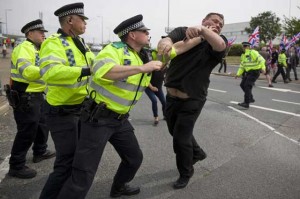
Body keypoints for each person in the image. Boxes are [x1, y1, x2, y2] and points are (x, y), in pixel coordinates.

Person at [56, 14, 200, 199]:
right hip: (97, 119)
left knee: (134, 158)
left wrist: (203, 34)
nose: (149, 34)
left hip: (120, 120)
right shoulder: (113, 50)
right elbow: (103, 71)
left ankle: (119, 187)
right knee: (84, 172)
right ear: (132, 35)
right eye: (144, 31)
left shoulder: (145, 54)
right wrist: (142, 68)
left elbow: (179, 48)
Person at [157, 12, 227, 189]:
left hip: (192, 100)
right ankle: (197, 153)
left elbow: (220, 45)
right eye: (215, 21)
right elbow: (167, 41)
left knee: (181, 139)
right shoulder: (183, 31)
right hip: (171, 98)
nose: (218, 25)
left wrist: (203, 31)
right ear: (204, 20)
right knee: (175, 132)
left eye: (221, 24)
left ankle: (185, 172)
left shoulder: (216, 41)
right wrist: (165, 43)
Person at [38, 3, 94, 199]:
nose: (86, 23)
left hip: (79, 109)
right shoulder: (53, 43)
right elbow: (49, 73)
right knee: (65, 162)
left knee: (76, 159)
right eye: (83, 19)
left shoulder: (80, 43)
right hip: (61, 112)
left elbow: (96, 66)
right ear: (70, 20)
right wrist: (85, 71)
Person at [7, 19, 55, 179]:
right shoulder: (24, 48)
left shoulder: (38, 49)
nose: (43, 34)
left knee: (43, 125)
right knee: (27, 131)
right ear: (29, 34)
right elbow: (27, 71)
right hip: (25, 96)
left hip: (37, 95)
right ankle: (16, 165)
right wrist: (48, 70)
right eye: (40, 32)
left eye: (44, 32)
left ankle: (40, 151)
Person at [235, 42, 265, 108]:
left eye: (245, 46)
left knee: (247, 86)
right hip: (248, 72)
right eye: (243, 46)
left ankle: (246, 103)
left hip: (255, 72)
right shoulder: (243, 55)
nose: (244, 48)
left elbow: (262, 60)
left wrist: (263, 68)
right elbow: (242, 66)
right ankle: (250, 98)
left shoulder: (253, 52)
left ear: (249, 47)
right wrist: (238, 74)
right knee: (242, 84)